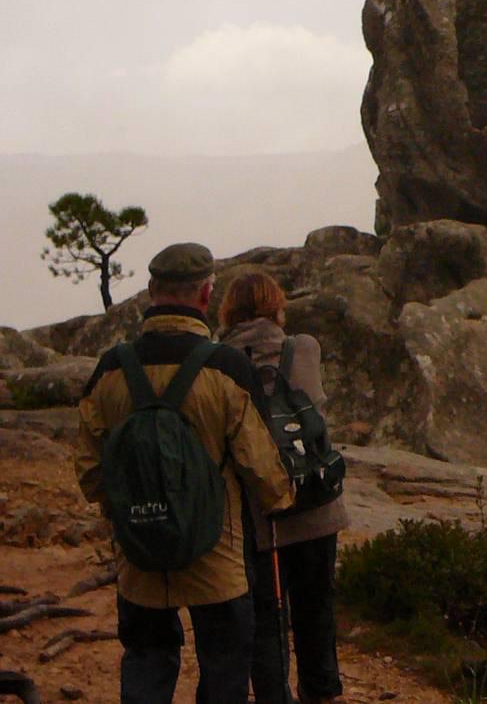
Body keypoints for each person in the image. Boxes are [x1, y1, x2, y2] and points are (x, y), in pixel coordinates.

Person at [77, 242, 294, 704]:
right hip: (217, 556)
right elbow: (261, 467)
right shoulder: (227, 368)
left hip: (139, 551)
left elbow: (92, 471)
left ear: (152, 290)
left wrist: (127, 509)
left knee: (147, 657)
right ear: (205, 294)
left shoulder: (111, 369)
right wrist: (283, 500)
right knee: (223, 663)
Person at [217, 271, 349, 704]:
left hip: (257, 513)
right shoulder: (304, 348)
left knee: (267, 616)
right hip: (314, 503)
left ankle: (275, 696)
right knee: (317, 609)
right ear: (275, 306)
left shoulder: (217, 359)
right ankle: (323, 693)